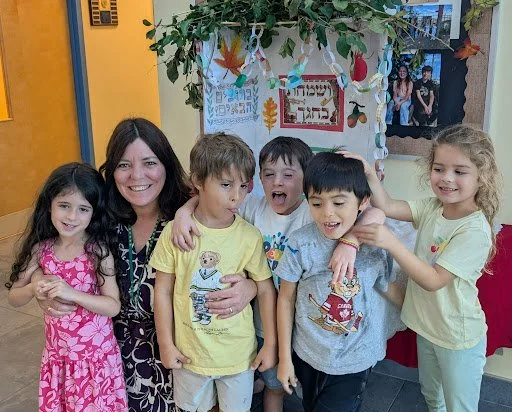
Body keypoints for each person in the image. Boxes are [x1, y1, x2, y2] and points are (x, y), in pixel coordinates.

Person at [36, 118, 257, 412]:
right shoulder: (99, 219)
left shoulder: (191, 222)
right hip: (108, 365)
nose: (137, 175)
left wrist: (250, 288)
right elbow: (48, 249)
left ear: (166, 164)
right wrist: (39, 284)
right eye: (124, 165)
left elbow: (246, 259)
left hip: (181, 360)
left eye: (149, 162)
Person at [171, 137, 385, 411]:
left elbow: (376, 213)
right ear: (259, 179)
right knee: (263, 377)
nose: (277, 182)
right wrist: (184, 212)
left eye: (288, 175)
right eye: (269, 174)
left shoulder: (315, 211)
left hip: (301, 325)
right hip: (256, 319)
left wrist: (350, 241)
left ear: (306, 180)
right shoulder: (252, 207)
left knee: (283, 384)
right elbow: (210, 202)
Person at [350, 124, 502, 412]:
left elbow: (433, 280)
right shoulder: (433, 207)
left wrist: (391, 242)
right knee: (433, 397)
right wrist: (369, 174)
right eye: (439, 168)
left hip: (457, 338)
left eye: (459, 171)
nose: (447, 178)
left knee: (460, 408)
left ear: (482, 176)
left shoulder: (474, 230)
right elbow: (388, 205)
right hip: (428, 328)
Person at [150, 132, 277, 412]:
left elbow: (266, 289)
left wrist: (270, 344)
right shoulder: (176, 232)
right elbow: (162, 291)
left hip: (237, 355)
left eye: (243, 186)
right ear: (198, 181)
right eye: (226, 184)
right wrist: (165, 344)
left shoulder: (249, 236)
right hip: (190, 356)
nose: (236, 196)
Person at [276, 152, 404, 412]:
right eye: (317, 203)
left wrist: (422, 310)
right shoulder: (301, 244)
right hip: (308, 353)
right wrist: (284, 357)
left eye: (339, 202)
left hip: (354, 360)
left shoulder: (373, 243)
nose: (328, 213)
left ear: (362, 201)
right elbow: (286, 298)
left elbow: (387, 285)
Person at [6, 162, 128, 411]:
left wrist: (72, 293)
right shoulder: (41, 250)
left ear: (94, 213)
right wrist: (33, 288)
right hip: (58, 358)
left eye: (83, 209)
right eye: (64, 205)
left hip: (95, 359)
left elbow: (112, 306)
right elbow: (14, 297)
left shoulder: (97, 252)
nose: (72, 217)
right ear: (49, 205)